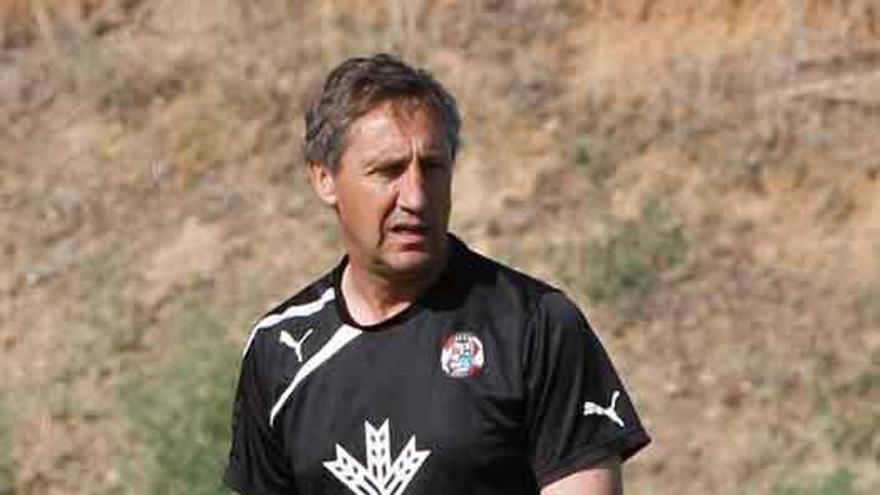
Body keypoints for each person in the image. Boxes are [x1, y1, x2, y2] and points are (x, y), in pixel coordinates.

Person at [223, 53, 650, 495]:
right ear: (324, 179)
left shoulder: (535, 325)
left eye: (432, 167)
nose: (416, 196)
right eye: (388, 171)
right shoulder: (278, 350)